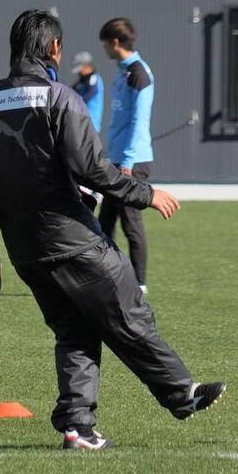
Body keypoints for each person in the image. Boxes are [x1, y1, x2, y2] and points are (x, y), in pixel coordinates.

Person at [0, 9, 224, 450]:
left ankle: (78, 427)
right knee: (128, 308)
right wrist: (144, 194)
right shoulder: (61, 98)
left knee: (76, 332)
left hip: (26, 252)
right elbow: (93, 168)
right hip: (73, 241)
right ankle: (181, 393)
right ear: (54, 48)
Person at [97, 18, 153, 294]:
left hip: (133, 162)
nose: (105, 50)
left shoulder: (139, 74)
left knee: (131, 223)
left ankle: (139, 284)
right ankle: (104, 276)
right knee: (104, 223)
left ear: (115, 42)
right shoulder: (122, 72)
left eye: (106, 44)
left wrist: (128, 163)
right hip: (117, 160)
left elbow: (138, 122)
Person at [70, 50, 104, 133]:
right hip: (80, 125)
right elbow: (70, 93)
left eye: (80, 69)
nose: (79, 73)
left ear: (86, 66)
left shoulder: (94, 79)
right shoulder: (82, 81)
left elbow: (86, 97)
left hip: (90, 127)